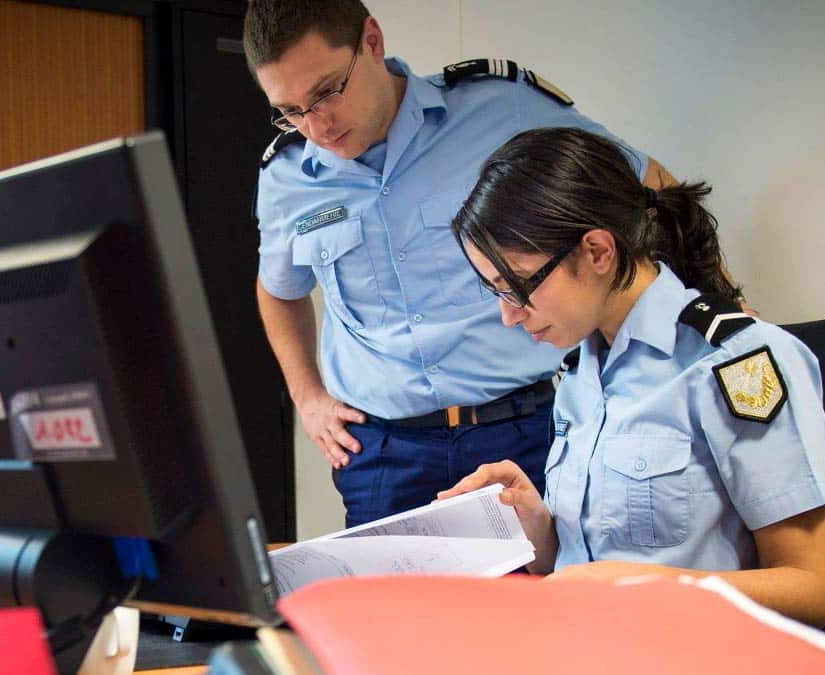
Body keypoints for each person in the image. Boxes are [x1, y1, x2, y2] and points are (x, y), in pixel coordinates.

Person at [246, 0, 679, 526]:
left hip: (526, 429)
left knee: (549, 602)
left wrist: (711, 322)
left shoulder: (503, 109)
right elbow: (278, 289)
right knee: (393, 609)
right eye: (290, 111)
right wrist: (307, 396)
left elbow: (652, 185)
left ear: (372, 42)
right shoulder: (287, 178)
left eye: (326, 92)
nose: (315, 126)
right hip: (384, 453)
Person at [439, 127, 825, 627]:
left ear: (598, 252)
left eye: (518, 287)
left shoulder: (734, 362)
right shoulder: (580, 374)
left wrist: (640, 590)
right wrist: (540, 530)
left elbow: (810, 590)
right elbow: (589, 566)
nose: (509, 316)